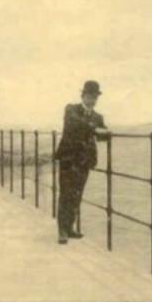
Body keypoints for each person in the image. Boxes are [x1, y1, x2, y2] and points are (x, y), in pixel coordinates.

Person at [54, 80, 110, 244]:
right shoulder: (71, 109)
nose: (92, 100)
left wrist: (104, 132)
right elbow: (75, 124)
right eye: (90, 96)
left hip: (84, 162)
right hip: (68, 159)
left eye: (95, 97)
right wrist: (94, 129)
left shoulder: (98, 117)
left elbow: (104, 134)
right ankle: (62, 231)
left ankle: (70, 227)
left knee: (77, 195)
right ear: (83, 95)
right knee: (66, 194)